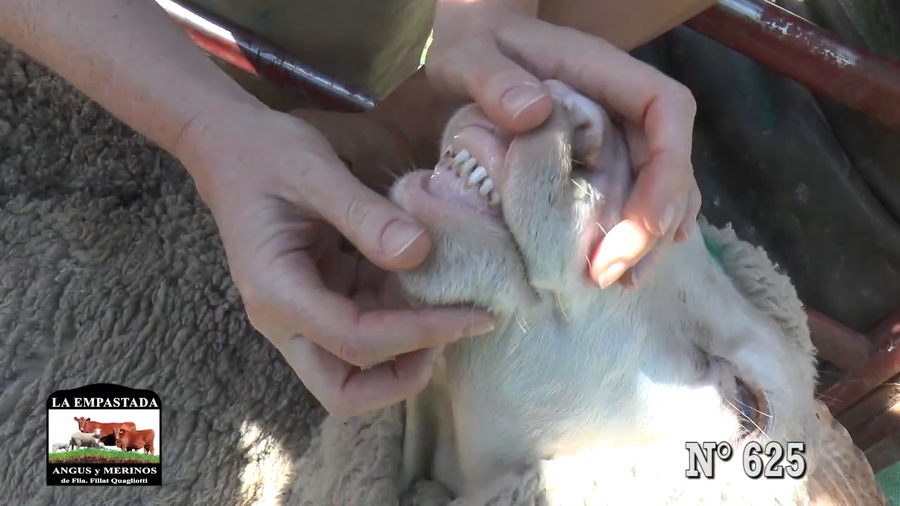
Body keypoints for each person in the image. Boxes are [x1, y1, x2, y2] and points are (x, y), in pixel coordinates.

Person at [0, 0, 709, 416]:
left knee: (121, 436)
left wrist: (486, 27)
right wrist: (198, 123)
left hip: (312, 161)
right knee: (60, 445)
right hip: (57, 95)